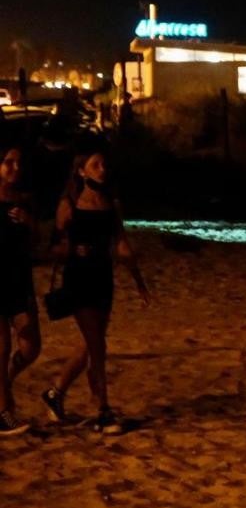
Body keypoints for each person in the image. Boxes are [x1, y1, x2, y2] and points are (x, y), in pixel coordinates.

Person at [41, 146, 151, 435]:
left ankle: (55, 392)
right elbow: (53, 247)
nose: (103, 168)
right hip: (79, 277)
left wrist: (139, 281)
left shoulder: (111, 204)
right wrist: (71, 249)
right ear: (81, 171)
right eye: (96, 164)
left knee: (94, 342)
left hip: (103, 278)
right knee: (97, 347)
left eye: (104, 164)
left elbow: (122, 245)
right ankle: (102, 410)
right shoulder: (70, 204)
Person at [0, 145, 40, 435]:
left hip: (19, 278)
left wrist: (29, 224)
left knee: (30, 345)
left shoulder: (24, 200)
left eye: (18, 163)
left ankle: (5, 382)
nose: (15, 168)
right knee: (0, 348)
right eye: (8, 162)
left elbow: (36, 243)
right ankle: (4, 411)